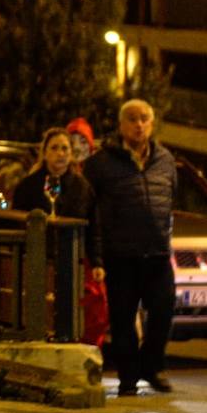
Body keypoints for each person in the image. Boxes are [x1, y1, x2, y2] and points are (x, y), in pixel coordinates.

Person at [83, 99, 177, 397]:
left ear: (152, 123)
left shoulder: (165, 160)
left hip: (157, 253)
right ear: (122, 125)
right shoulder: (101, 164)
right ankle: (128, 378)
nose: (139, 125)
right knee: (122, 319)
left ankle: (152, 365)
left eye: (145, 119)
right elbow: (92, 214)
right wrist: (97, 256)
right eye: (133, 119)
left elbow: (170, 200)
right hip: (120, 254)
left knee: (163, 311)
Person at [12, 127, 105, 344]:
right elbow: (16, 223)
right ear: (44, 153)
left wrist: (98, 261)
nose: (60, 153)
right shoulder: (29, 186)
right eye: (54, 148)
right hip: (39, 260)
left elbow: (94, 227)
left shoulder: (82, 187)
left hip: (73, 261)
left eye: (65, 148)